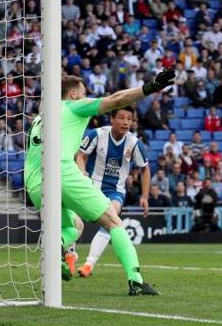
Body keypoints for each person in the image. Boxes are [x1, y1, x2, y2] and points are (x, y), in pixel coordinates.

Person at [24, 69, 174, 295]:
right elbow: (116, 99)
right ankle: (136, 281)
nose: (87, 97)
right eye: (84, 93)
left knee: (73, 226)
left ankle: (57, 250)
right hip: (61, 171)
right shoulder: (73, 106)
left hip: (34, 181)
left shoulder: (40, 117)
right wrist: (150, 87)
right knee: (114, 222)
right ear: (73, 94)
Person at [75, 106, 151, 279]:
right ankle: (70, 254)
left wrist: (145, 196)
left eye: (129, 119)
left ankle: (88, 264)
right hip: (91, 186)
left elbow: (145, 169)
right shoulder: (97, 134)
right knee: (74, 220)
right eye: (122, 118)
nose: (125, 122)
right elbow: (80, 156)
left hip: (115, 191)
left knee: (111, 219)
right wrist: (82, 173)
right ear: (112, 119)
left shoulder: (134, 143)